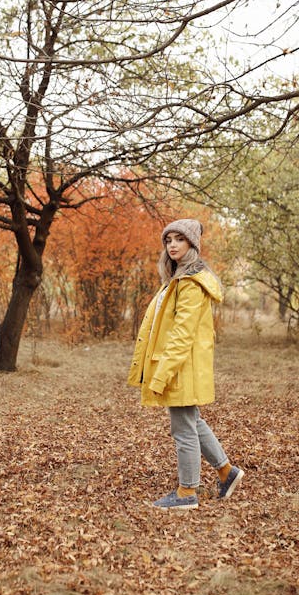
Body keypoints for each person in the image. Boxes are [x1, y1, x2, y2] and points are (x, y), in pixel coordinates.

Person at [128, 218, 244, 510]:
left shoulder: (190, 283)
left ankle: (186, 492)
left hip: (181, 367)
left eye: (180, 239)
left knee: (183, 429)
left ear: (192, 243)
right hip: (182, 365)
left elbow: (182, 334)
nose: (173, 245)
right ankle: (226, 473)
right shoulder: (178, 278)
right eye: (169, 240)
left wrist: (161, 374)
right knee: (193, 421)